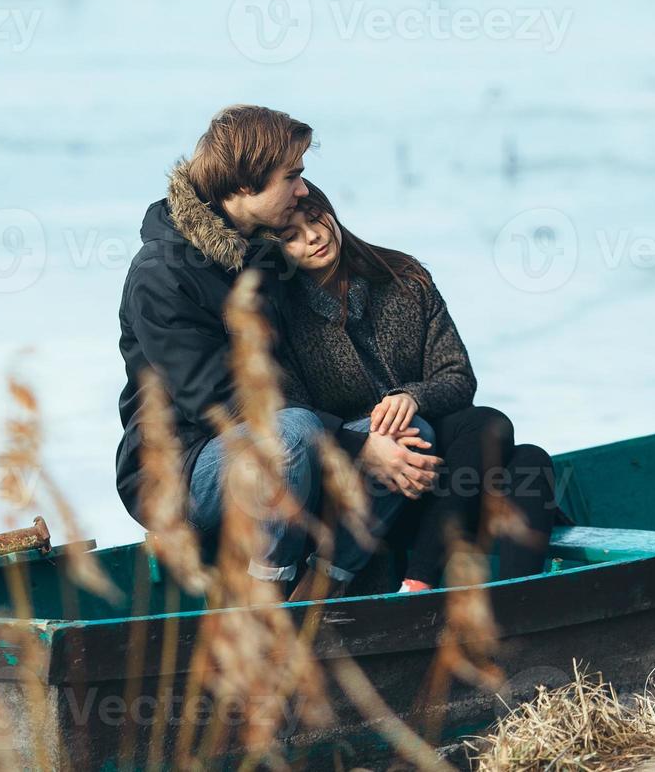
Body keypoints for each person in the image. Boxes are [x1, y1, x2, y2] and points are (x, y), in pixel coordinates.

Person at [114, 104, 431, 594]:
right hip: (179, 471)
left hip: (289, 441)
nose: (303, 190)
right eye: (293, 176)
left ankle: (323, 591)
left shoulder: (264, 253)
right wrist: (353, 446)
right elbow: (217, 402)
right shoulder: (162, 274)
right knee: (294, 433)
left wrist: (386, 417)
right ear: (245, 184)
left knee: (406, 431)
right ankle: (263, 607)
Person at [275, 181, 559, 593]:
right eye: (291, 236)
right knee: (500, 442)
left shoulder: (403, 277)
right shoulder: (282, 313)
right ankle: (425, 580)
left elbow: (458, 378)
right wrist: (371, 443)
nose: (313, 237)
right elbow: (295, 419)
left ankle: (507, 611)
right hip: (358, 488)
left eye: (316, 219)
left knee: (523, 455)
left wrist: (411, 397)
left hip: (434, 477)